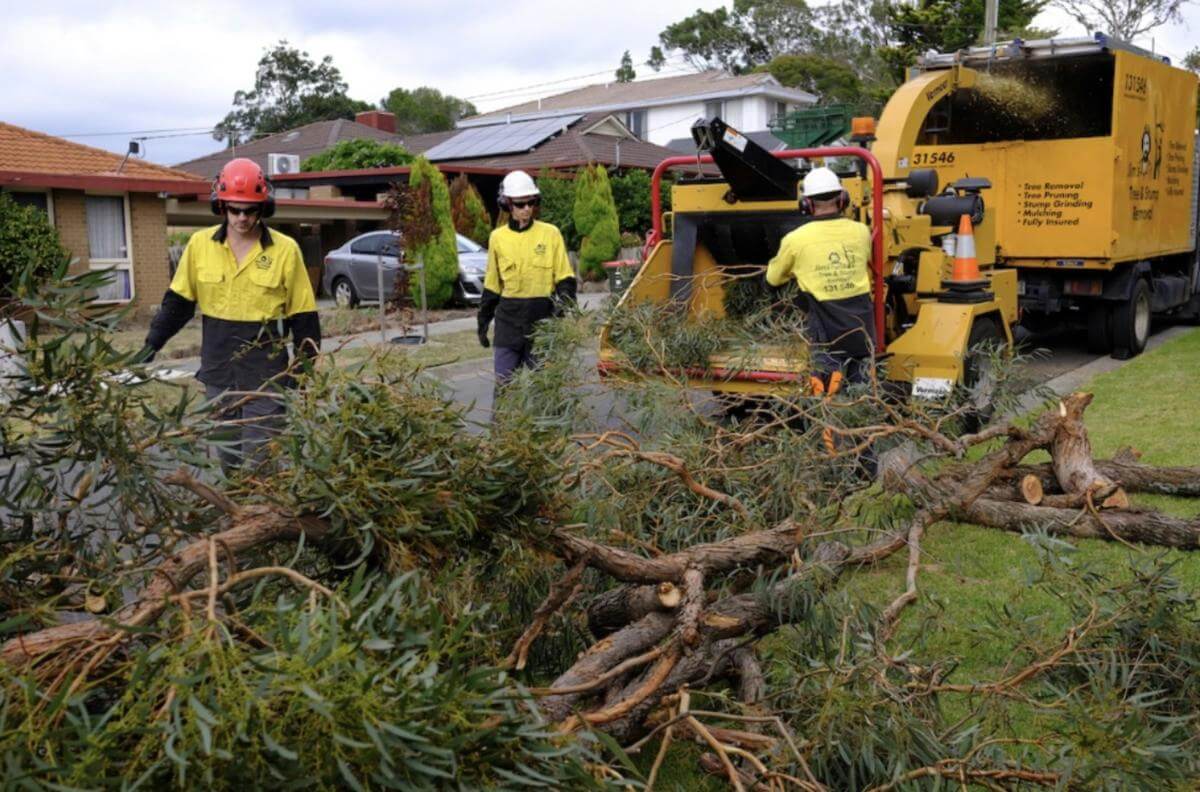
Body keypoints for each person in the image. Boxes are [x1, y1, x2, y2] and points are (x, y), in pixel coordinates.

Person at [142, 158, 320, 468]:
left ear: (263, 208)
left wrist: (300, 373)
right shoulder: (199, 245)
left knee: (260, 460)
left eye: (250, 210)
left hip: (267, 376)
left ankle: (264, 499)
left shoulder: (285, 250)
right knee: (228, 460)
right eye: (235, 209)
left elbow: (304, 318)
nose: (242, 217)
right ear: (221, 205)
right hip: (219, 373)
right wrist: (151, 345)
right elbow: (178, 303)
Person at [766, 166, 876, 390]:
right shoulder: (861, 231)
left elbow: (772, 280)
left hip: (826, 333)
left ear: (806, 204)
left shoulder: (795, 239)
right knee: (861, 387)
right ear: (842, 199)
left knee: (826, 388)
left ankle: (828, 409)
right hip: (862, 328)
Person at [476, 170, 576, 390]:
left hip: (542, 321)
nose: (527, 209)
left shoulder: (550, 234)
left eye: (531, 202)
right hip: (508, 323)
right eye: (521, 204)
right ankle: (504, 415)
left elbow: (565, 278)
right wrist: (483, 321)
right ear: (507, 204)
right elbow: (492, 285)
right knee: (505, 388)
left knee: (545, 389)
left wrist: (562, 307)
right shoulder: (497, 238)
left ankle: (547, 414)